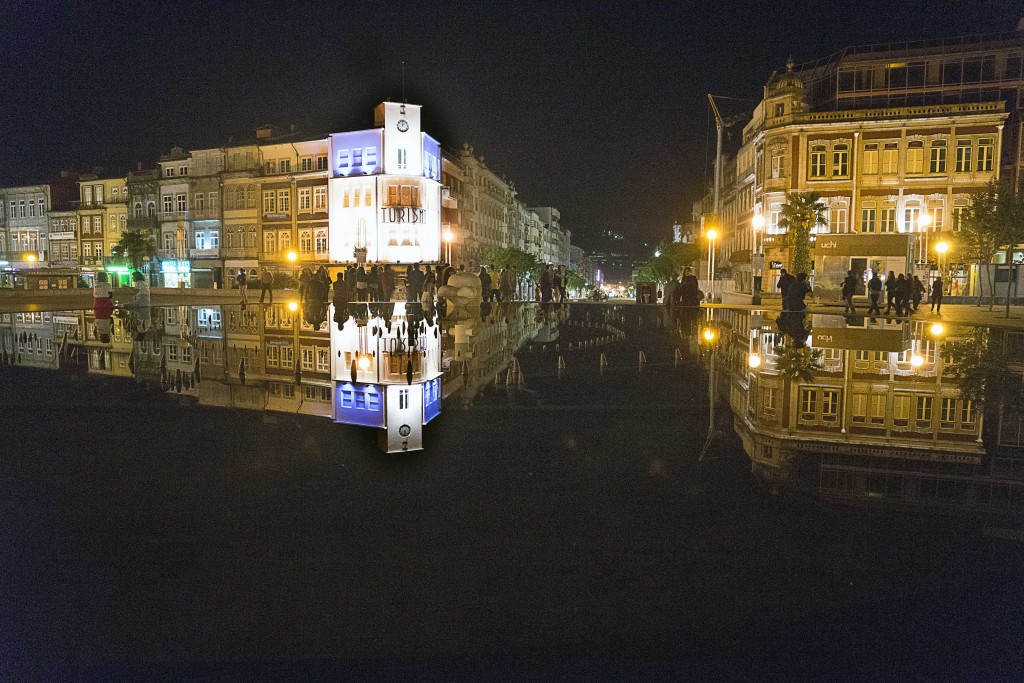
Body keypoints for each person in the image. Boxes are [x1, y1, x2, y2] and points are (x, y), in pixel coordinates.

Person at [93, 271, 114, 343]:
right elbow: (110, 295)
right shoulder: (108, 285)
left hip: (96, 302)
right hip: (104, 302)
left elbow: (110, 322)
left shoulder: (95, 284)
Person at [130, 271, 151, 339]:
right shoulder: (143, 283)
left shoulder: (139, 283)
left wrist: (126, 288)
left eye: (133, 276)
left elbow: (136, 291)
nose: (132, 278)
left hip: (142, 306)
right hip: (144, 303)